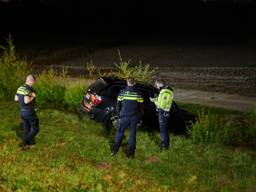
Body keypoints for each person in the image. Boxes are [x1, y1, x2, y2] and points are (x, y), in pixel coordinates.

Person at [111, 77, 144, 158]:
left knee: (119, 133)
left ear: (127, 82)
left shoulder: (122, 93)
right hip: (134, 117)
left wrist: (119, 114)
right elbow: (141, 107)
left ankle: (114, 151)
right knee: (132, 135)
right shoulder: (138, 94)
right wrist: (140, 116)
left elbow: (118, 105)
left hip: (123, 116)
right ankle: (130, 154)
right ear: (134, 83)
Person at [15, 74, 39, 150]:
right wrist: (33, 96)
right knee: (35, 129)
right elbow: (26, 101)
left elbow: (16, 99)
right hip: (29, 112)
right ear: (31, 81)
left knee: (27, 129)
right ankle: (24, 143)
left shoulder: (20, 88)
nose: (33, 83)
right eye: (33, 82)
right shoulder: (29, 89)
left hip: (22, 112)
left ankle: (26, 146)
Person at [150, 79, 173, 151]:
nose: (156, 87)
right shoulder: (165, 91)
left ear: (159, 84)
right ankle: (166, 145)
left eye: (156, 85)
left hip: (163, 112)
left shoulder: (165, 92)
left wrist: (154, 101)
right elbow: (161, 100)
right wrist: (156, 99)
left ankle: (164, 147)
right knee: (165, 130)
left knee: (163, 130)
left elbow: (161, 105)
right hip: (164, 112)